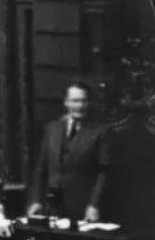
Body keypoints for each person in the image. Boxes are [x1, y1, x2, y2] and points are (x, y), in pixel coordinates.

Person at [27, 82, 112, 222]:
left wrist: (94, 205)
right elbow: (40, 168)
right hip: (52, 208)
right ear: (66, 102)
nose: (79, 106)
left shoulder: (102, 131)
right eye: (75, 101)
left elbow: (105, 172)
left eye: (84, 101)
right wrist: (35, 200)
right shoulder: (52, 128)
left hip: (84, 209)